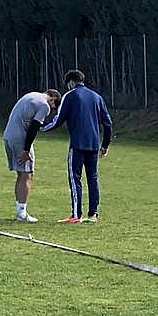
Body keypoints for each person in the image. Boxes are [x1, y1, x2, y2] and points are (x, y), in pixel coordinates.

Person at [40, 69, 112, 224]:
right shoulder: (97, 97)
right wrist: (105, 144)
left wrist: (40, 127)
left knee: (75, 178)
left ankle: (76, 215)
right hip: (93, 144)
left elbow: (58, 119)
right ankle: (93, 215)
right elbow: (107, 123)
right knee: (93, 178)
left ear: (70, 82)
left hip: (77, 144)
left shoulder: (70, 96)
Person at [2, 88, 61, 223]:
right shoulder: (44, 105)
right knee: (27, 174)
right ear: (52, 98)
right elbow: (34, 127)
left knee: (21, 174)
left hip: (8, 136)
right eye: (53, 106)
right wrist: (26, 149)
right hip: (20, 139)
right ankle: (22, 213)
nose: (50, 111)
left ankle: (19, 209)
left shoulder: (31, 95)